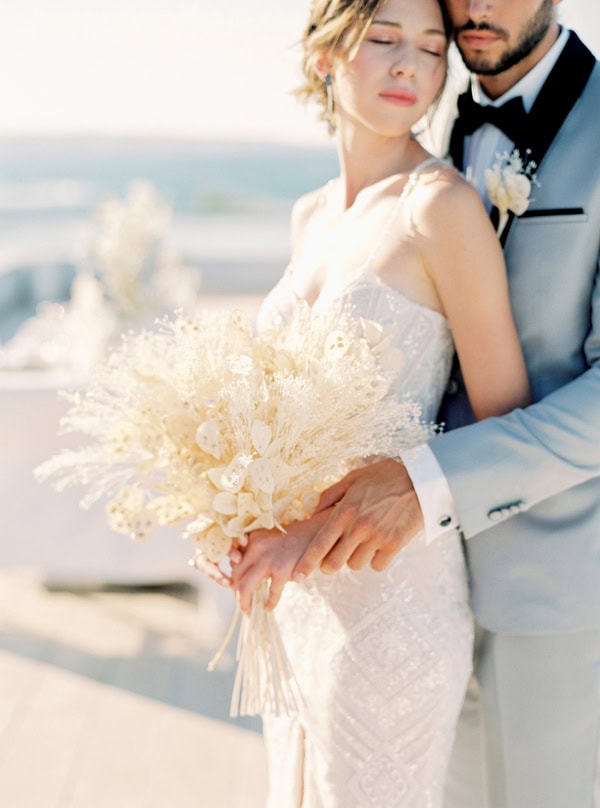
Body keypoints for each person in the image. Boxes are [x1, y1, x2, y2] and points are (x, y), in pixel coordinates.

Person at [246, 1, 599, 806]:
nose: (473, 5)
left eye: (426, 47)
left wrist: (423, 484)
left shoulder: (438, 196)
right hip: (367, 574)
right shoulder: (429, 152)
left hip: (548, 579)